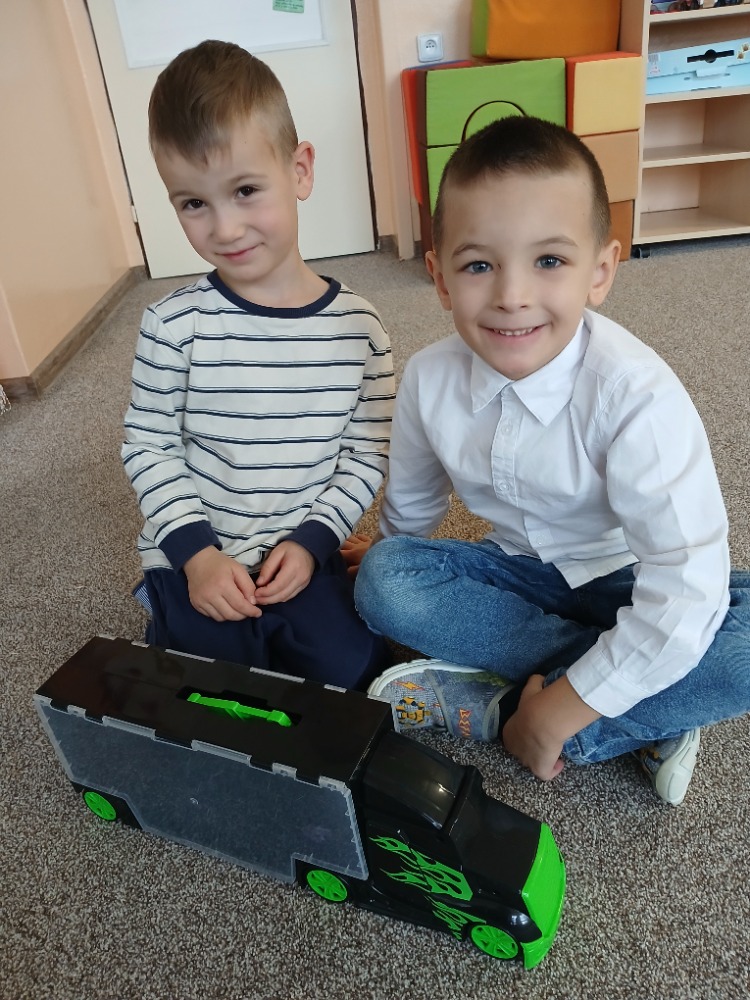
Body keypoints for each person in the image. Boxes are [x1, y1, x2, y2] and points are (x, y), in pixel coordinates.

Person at [354, 115, 750, 805]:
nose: (512, 296)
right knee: (384, 581)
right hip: (518, 576)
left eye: (548, 262)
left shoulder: (637, 395)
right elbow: (413, 506)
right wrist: (389, 555)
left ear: (600, 271)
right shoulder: (426, 378)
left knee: (714, 624)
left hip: (628, 577)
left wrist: (559, 712)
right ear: (440, 278)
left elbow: (686, 583)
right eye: (479, 265)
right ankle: (646, 700)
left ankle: (519, 713)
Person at [122, 40, 395, 688]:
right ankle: (164, 606)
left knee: (353, 673)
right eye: (193, 203)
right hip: (197, 553)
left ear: (299, 171)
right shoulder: (171, 325)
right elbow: (148, 446)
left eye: (245, 190)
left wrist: (314, 541)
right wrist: (196, 557)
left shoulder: (361, 330)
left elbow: (365, 455)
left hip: (300, 552)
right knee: (207, 688)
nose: (224, 229)